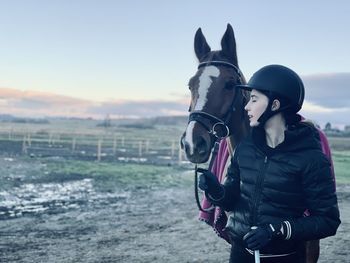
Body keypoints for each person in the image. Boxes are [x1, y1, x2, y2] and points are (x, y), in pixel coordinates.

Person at [198, 64, 341, 263]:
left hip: (285, 256)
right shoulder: (245, 149)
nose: (247, 106)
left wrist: (276, 230)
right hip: (240, 254)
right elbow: (232, 200)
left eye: (254, 100)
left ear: (274, 105)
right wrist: (215, 190)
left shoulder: (312, 160)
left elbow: (328, 221)